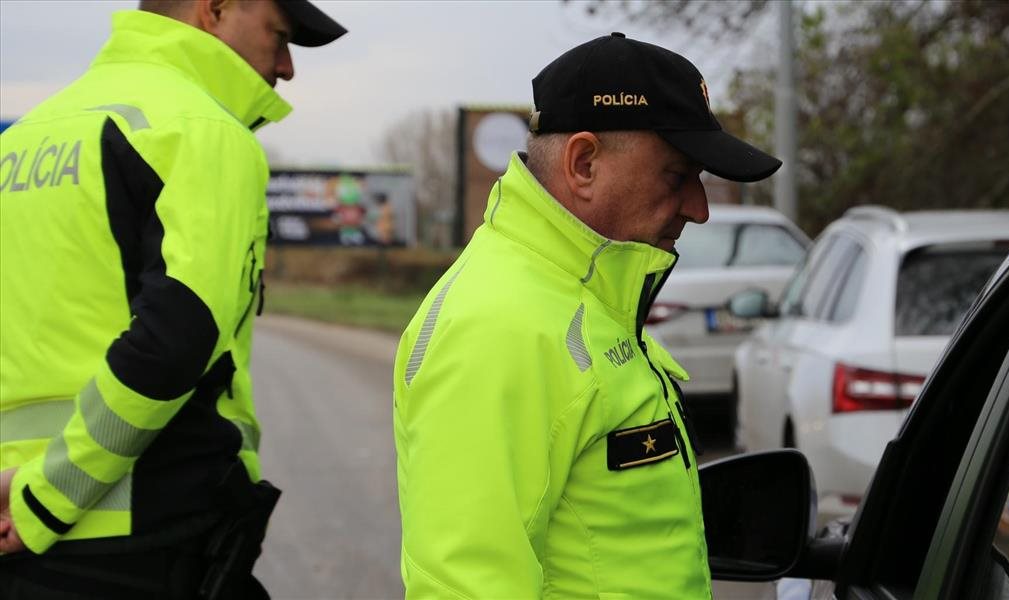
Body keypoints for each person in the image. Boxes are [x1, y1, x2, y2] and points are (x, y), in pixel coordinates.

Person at [392, 32, 782, 598]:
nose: (699, 209)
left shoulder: (576, 299)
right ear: (583, 164)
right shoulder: (499, 325)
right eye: (677, 176)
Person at [0, 1, 345, 597]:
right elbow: (174, 340)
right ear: (214, 9)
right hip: (138, 531)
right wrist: (47, 499)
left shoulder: (28, 136)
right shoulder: (201, 128)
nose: (287, 67)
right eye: (280, 36)